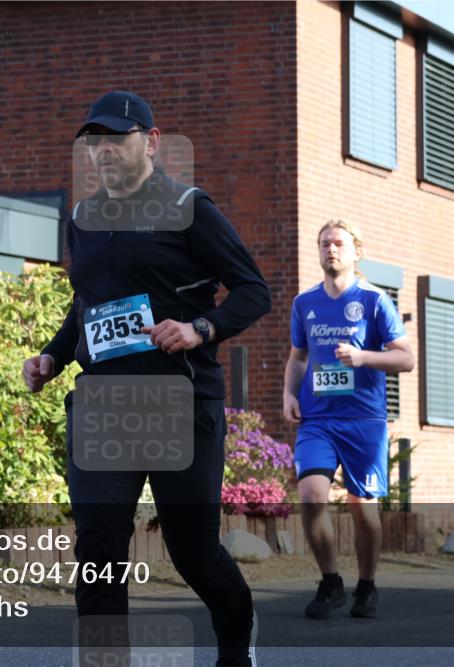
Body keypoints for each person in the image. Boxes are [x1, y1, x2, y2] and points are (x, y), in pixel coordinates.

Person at [22, 90, 271, 667]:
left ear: (151, 142)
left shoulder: (189, 207)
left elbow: (253, 291)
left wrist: (199, 329)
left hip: (180, 404)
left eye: (118, 139)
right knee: (98, 544)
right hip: (105, 407)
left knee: (191, 551)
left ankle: (237, 635)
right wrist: (53, 358)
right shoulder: (83, 218)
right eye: (96, 143)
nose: (104, 152)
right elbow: (87, 304)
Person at [282, 220, 414, 620]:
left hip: (364, 420)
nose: (331, 250)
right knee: (311, 497)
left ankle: (367, 585)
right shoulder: (304, 303)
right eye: (324, 244)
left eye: (338, 243)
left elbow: (406, 358)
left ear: (357, 251)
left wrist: (364, 357)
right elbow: (298, 357)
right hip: (318, 419)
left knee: (363, 508)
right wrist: (289, 393)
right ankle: (330, 582)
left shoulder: (374, 301)